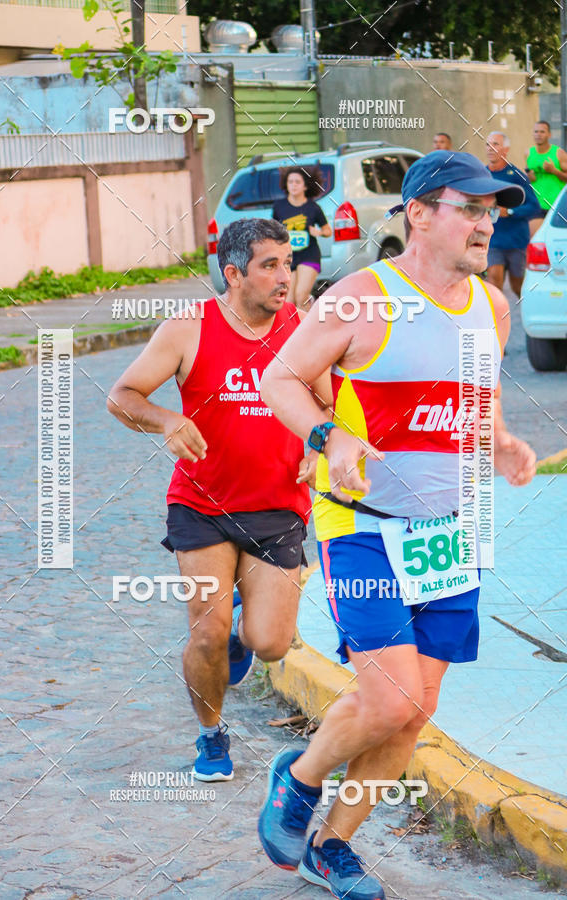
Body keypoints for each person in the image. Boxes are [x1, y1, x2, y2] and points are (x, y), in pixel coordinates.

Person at [258, 151, 537, 900]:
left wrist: (501, 439)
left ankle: (331, 848)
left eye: (492, 211)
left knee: (418, 711)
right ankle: (302, 776)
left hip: (451, 529)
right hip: (363, 524)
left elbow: (479, 399)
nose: (487, 223)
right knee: (390, 700)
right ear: (418, 213)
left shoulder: (492, 306)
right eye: (470, 208)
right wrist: (329, 438)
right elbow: (278, 377)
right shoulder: (360, 298)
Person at [107, 218, 330, 782]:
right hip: (200, 506)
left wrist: (318, 447)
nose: (286, 276)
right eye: (269, 265)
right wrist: (166, 419)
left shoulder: (302, 331)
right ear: (233, 274)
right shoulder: (189, 329)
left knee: (271, 642)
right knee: (205, 632)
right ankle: (211, 735)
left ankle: (240, 633)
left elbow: (332, 410)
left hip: (277, 508)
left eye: (287, 262)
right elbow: (122, 396)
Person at [485, 131, 541, 297]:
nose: (490, 148)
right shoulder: (481, 174)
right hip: (493, 239)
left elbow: (534, 207)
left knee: (518, 288)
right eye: (487, 144)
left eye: (495, 144)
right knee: (494, 282)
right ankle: (497, 319)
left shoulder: (517, 176)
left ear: (506, 149)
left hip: (516, 241)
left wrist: (510, 212)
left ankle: (527, 316)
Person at [272, 166, 332, 311]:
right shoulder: (279, 206)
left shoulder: (313, 207)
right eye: (290, 182)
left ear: (305, 186)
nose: (293, 185)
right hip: (288, 258)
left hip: (309, 255)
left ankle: (309, 330)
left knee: (301, 295)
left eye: (297, 182)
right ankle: (298, 327)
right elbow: (273, 230)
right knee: (290, 300)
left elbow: (327, 230)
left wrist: (319, 232)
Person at [525, 120, 567, 216]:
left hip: (555, 206)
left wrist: (554, 171)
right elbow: (528, 175)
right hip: (535, 205)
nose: (538, 135)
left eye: (542, 132)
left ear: (549, 135)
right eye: (536, 132)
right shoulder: (528, 153)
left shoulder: (558, 153)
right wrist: (529, 177)